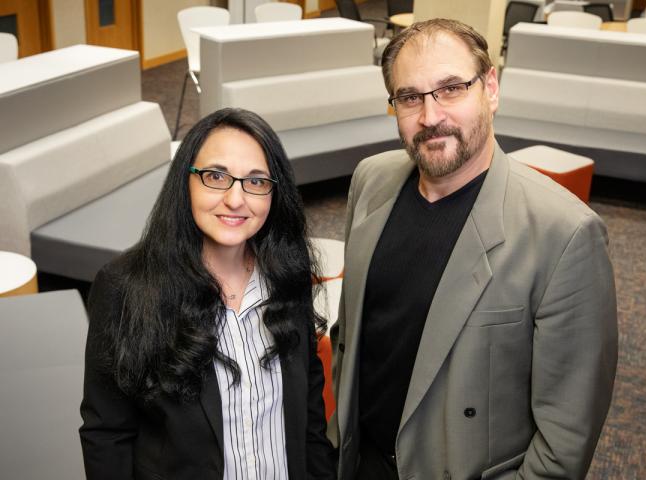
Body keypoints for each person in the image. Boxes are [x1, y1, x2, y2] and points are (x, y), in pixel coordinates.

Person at [330, 18, 618, 480]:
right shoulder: (370, 179)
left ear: (491, 89)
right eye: (410, 97)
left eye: (451, 89)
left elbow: (566, 438)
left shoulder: (564, 234)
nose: (430, 116)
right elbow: (352, 333)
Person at [80, 108, 336, 480]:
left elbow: (309, 419)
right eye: (216, 176)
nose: (235, 199)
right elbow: (108, 435)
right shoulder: (126, 288)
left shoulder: (287, 274)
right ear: (185, 181)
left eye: (256, 181)